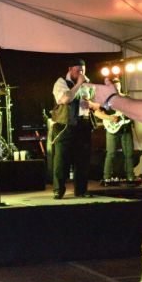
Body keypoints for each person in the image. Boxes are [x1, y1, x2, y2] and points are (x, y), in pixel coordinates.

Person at [51, 59, 98, 199]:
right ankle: (58, 190)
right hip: (65, 125)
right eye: (78, 71)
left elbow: (97, 104)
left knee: (82, 160)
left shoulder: (88, 83)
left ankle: (81, 190)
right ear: (70, 69)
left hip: (83, 124)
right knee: (61, 159)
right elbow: (65, 99)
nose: (81, 73)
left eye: (83, 70)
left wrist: (91, 104)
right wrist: (78, 84)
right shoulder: (61, 82)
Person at [93, 78, 136, 182]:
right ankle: (107, 177)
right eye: (114, 84)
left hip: (125, 127)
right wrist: (110, 118)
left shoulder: (126, 98)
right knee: (111, 153)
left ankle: (130, 176)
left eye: (118, 84)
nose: (117, 86)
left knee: (129, 154)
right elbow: (97, 113)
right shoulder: (105, 99)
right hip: (111, 128)